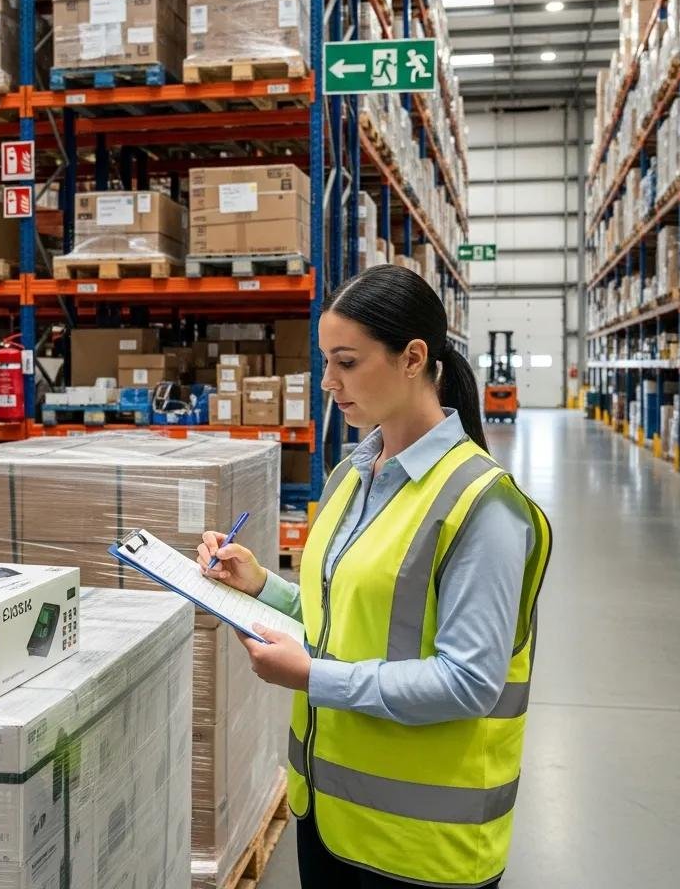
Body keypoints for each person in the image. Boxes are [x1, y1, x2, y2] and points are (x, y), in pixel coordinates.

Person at [197, 264, 552, 889]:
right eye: (325, 361)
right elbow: (344, 613)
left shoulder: (482, 505)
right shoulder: (352, 475)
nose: (328, 382)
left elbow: (470, 682)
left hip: (421, 849)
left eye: (347, 362)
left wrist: (311, 676)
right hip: (329, 815)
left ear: (413, 357)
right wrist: (260, 586)